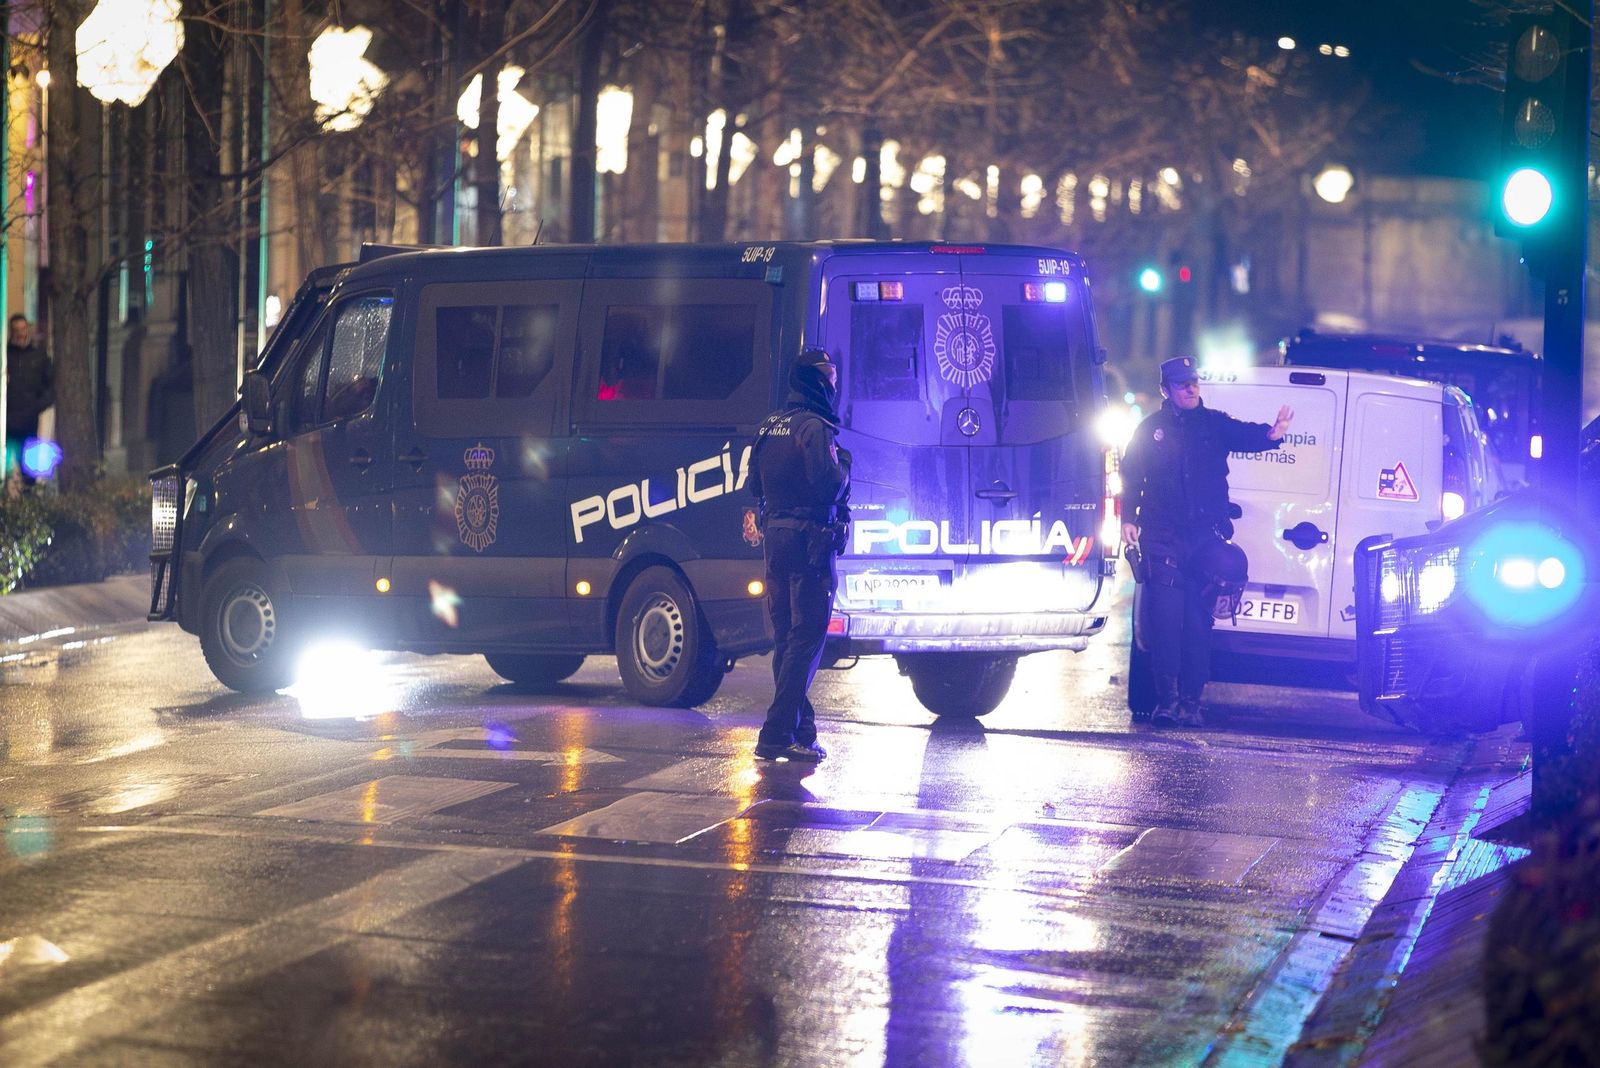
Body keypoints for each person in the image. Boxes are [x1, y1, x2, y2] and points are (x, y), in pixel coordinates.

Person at [1119, 356, 1293, 727]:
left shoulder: (1213, 425)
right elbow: (1131, 475)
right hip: (1163, 536)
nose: (1191, 388)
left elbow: (1246, 434)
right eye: (1182, 384)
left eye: (1194, 382)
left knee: (1198, 625)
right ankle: (1166, 701)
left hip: (1204, 541)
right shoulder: (1151, 429)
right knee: (1165, 622)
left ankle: (1191, 703)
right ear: (1166, 389)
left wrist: (1272, 434)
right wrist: (1127, 519)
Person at [747, 347, 852, 762]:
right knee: (806, 639)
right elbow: (828, 485)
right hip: (811, 542)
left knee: (788, 638)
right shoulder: (815, 429)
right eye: (828, 375)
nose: (833, 383)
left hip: (776, 539)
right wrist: (844, 466)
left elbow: (754, 486)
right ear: (813, 380)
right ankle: (775, 734)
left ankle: (801, 731)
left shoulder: (769, 426)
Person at [4, 313, 54, 484]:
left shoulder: (38, 356)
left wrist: (38, 405)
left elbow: (51, 384)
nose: (21, 333)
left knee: (28, 469)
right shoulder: (5, 355)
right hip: (7, 420)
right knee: (5, 466)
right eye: (16, 330)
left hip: (28, 420)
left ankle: (29, 504)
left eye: (23, 329)